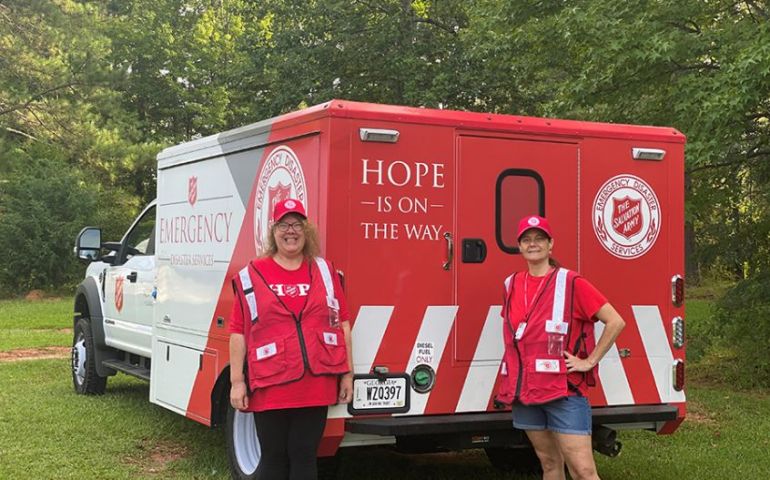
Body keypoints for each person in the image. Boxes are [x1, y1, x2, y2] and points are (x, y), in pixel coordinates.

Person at [229, 198, 353, 480]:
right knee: (273, 457)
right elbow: (238, 331)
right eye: (284, 224)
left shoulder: (324, 270)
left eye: (297, 224)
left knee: (304, 454)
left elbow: (342, 323)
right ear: (273, 231)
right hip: (271, 382)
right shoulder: (252, 275)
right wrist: (237, 382)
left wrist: (347, 374)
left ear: (306, 230)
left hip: (315, 383)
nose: (291, 231)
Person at [497, 215, 625, 480]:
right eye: (527, 239)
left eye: (539, 238)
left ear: (550, 244)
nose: (533, 244)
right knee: (549, 463)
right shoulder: (511, 284)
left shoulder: (572, 282)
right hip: (527, 391)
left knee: (583, 471)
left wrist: (589, 361)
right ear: (519, 247)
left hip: (564, 390)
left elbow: (615, 321)